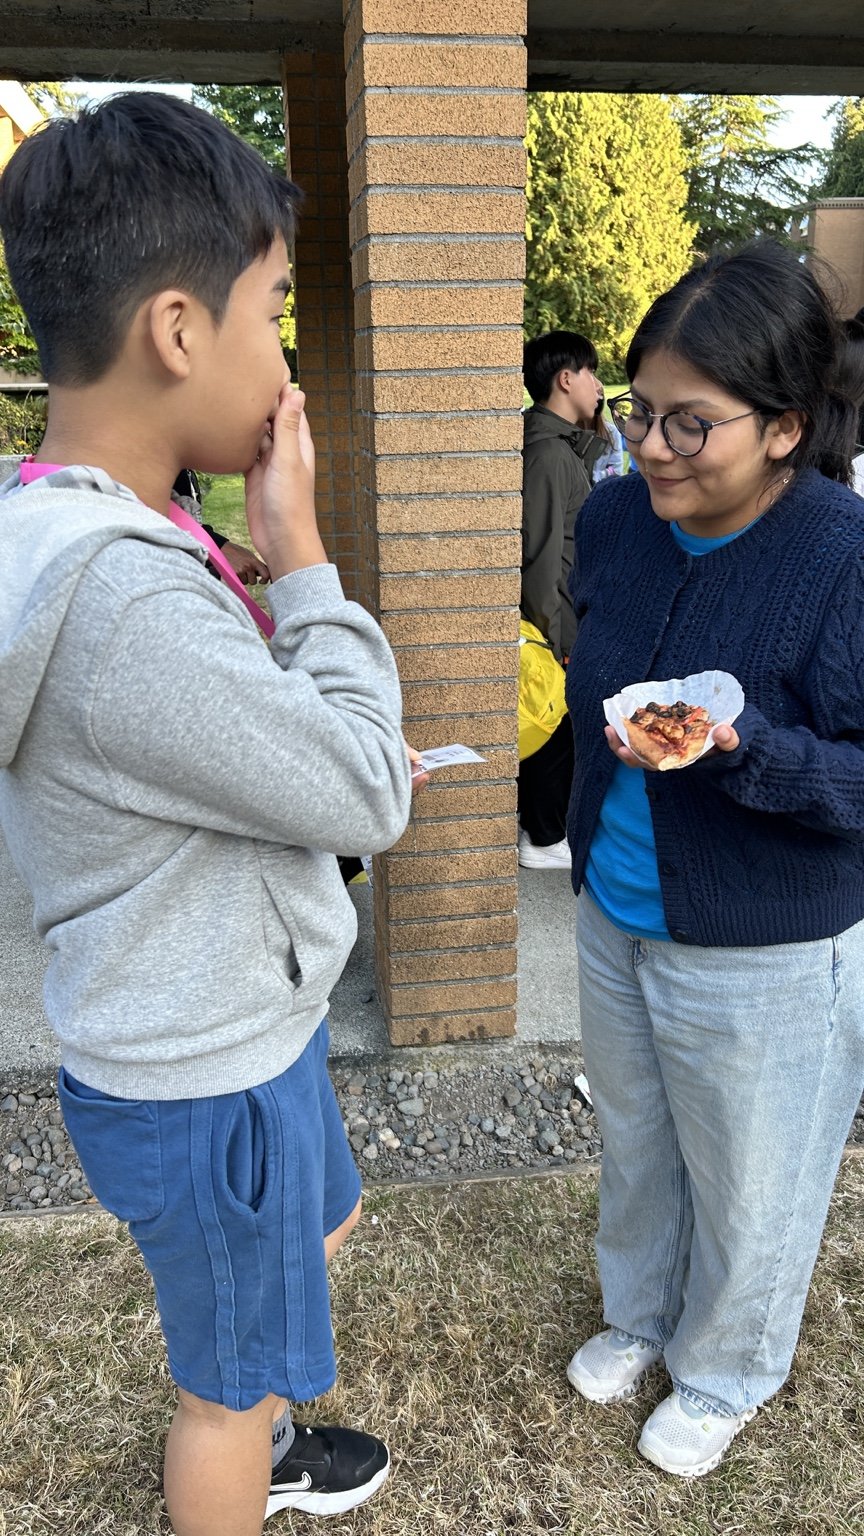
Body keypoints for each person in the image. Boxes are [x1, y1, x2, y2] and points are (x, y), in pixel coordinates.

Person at [0, 93, 413, 1536]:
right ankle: (250, 1460)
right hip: (204, 1074)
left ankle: (264, 1433)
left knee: (324, 1221)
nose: (285, 356)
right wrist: (301, 556)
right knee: (225, 1387)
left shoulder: (83, 516)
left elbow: (265, 758)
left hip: (230, 1029)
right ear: (180, 331)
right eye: (276, 311)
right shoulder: (120, 597)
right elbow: (363, 789)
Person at [563, 242, 864, 1478]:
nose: (652, 450)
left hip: (769, 939)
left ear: (786, 427)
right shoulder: (614, 515)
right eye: (639, 414)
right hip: (614, 904)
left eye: (692, 425)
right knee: (636, 1139)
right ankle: (639, 1312)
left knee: (754, 1176)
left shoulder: (842, 554)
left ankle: (728, 1367)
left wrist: (746, 752)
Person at [519, 331, 605, 870]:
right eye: (592, 373)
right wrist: (555, 638)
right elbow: (541, 556)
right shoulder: (549, 455)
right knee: (557, 725)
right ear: (566, 378)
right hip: (560, 625)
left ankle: (546, 831)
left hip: (570, 619)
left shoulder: (565, 446)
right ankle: (543, 836)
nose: (599, 385)